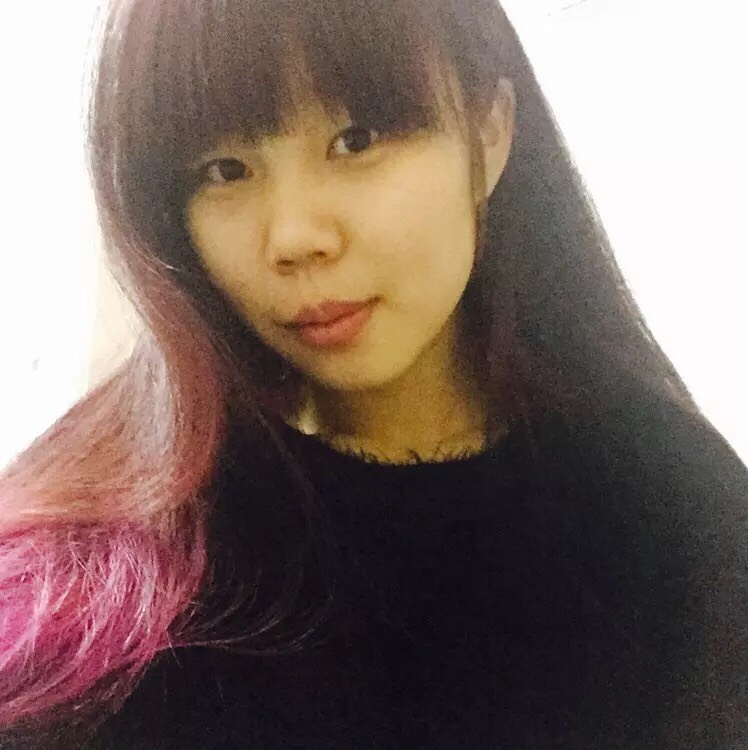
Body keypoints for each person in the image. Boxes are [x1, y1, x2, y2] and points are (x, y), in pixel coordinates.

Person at [0, 0, 746, 747]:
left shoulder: (677, 513)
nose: (295, 236)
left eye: (355, 140)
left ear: (489, 130)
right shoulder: (91, 568)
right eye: (225, 170)